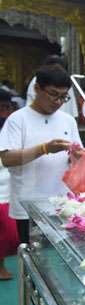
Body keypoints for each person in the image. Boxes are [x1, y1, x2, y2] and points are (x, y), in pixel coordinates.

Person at [0, 64, 83, 244]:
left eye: (63, 97)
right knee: (32, 260)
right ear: (37, 89)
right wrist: (44, 149)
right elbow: (7, 159)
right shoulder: (18, 119)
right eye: (53, 94)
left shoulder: (68, 121)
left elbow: (76, 159)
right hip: (28, 205)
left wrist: (77, 155)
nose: (58, 102)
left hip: (62, 205)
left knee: (62, 258)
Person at [0, 89, 19, 280]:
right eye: (1, 108)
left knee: (12, 236)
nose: (4, 113)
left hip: (7, 190)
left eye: (7, 108)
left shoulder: (13, 126)